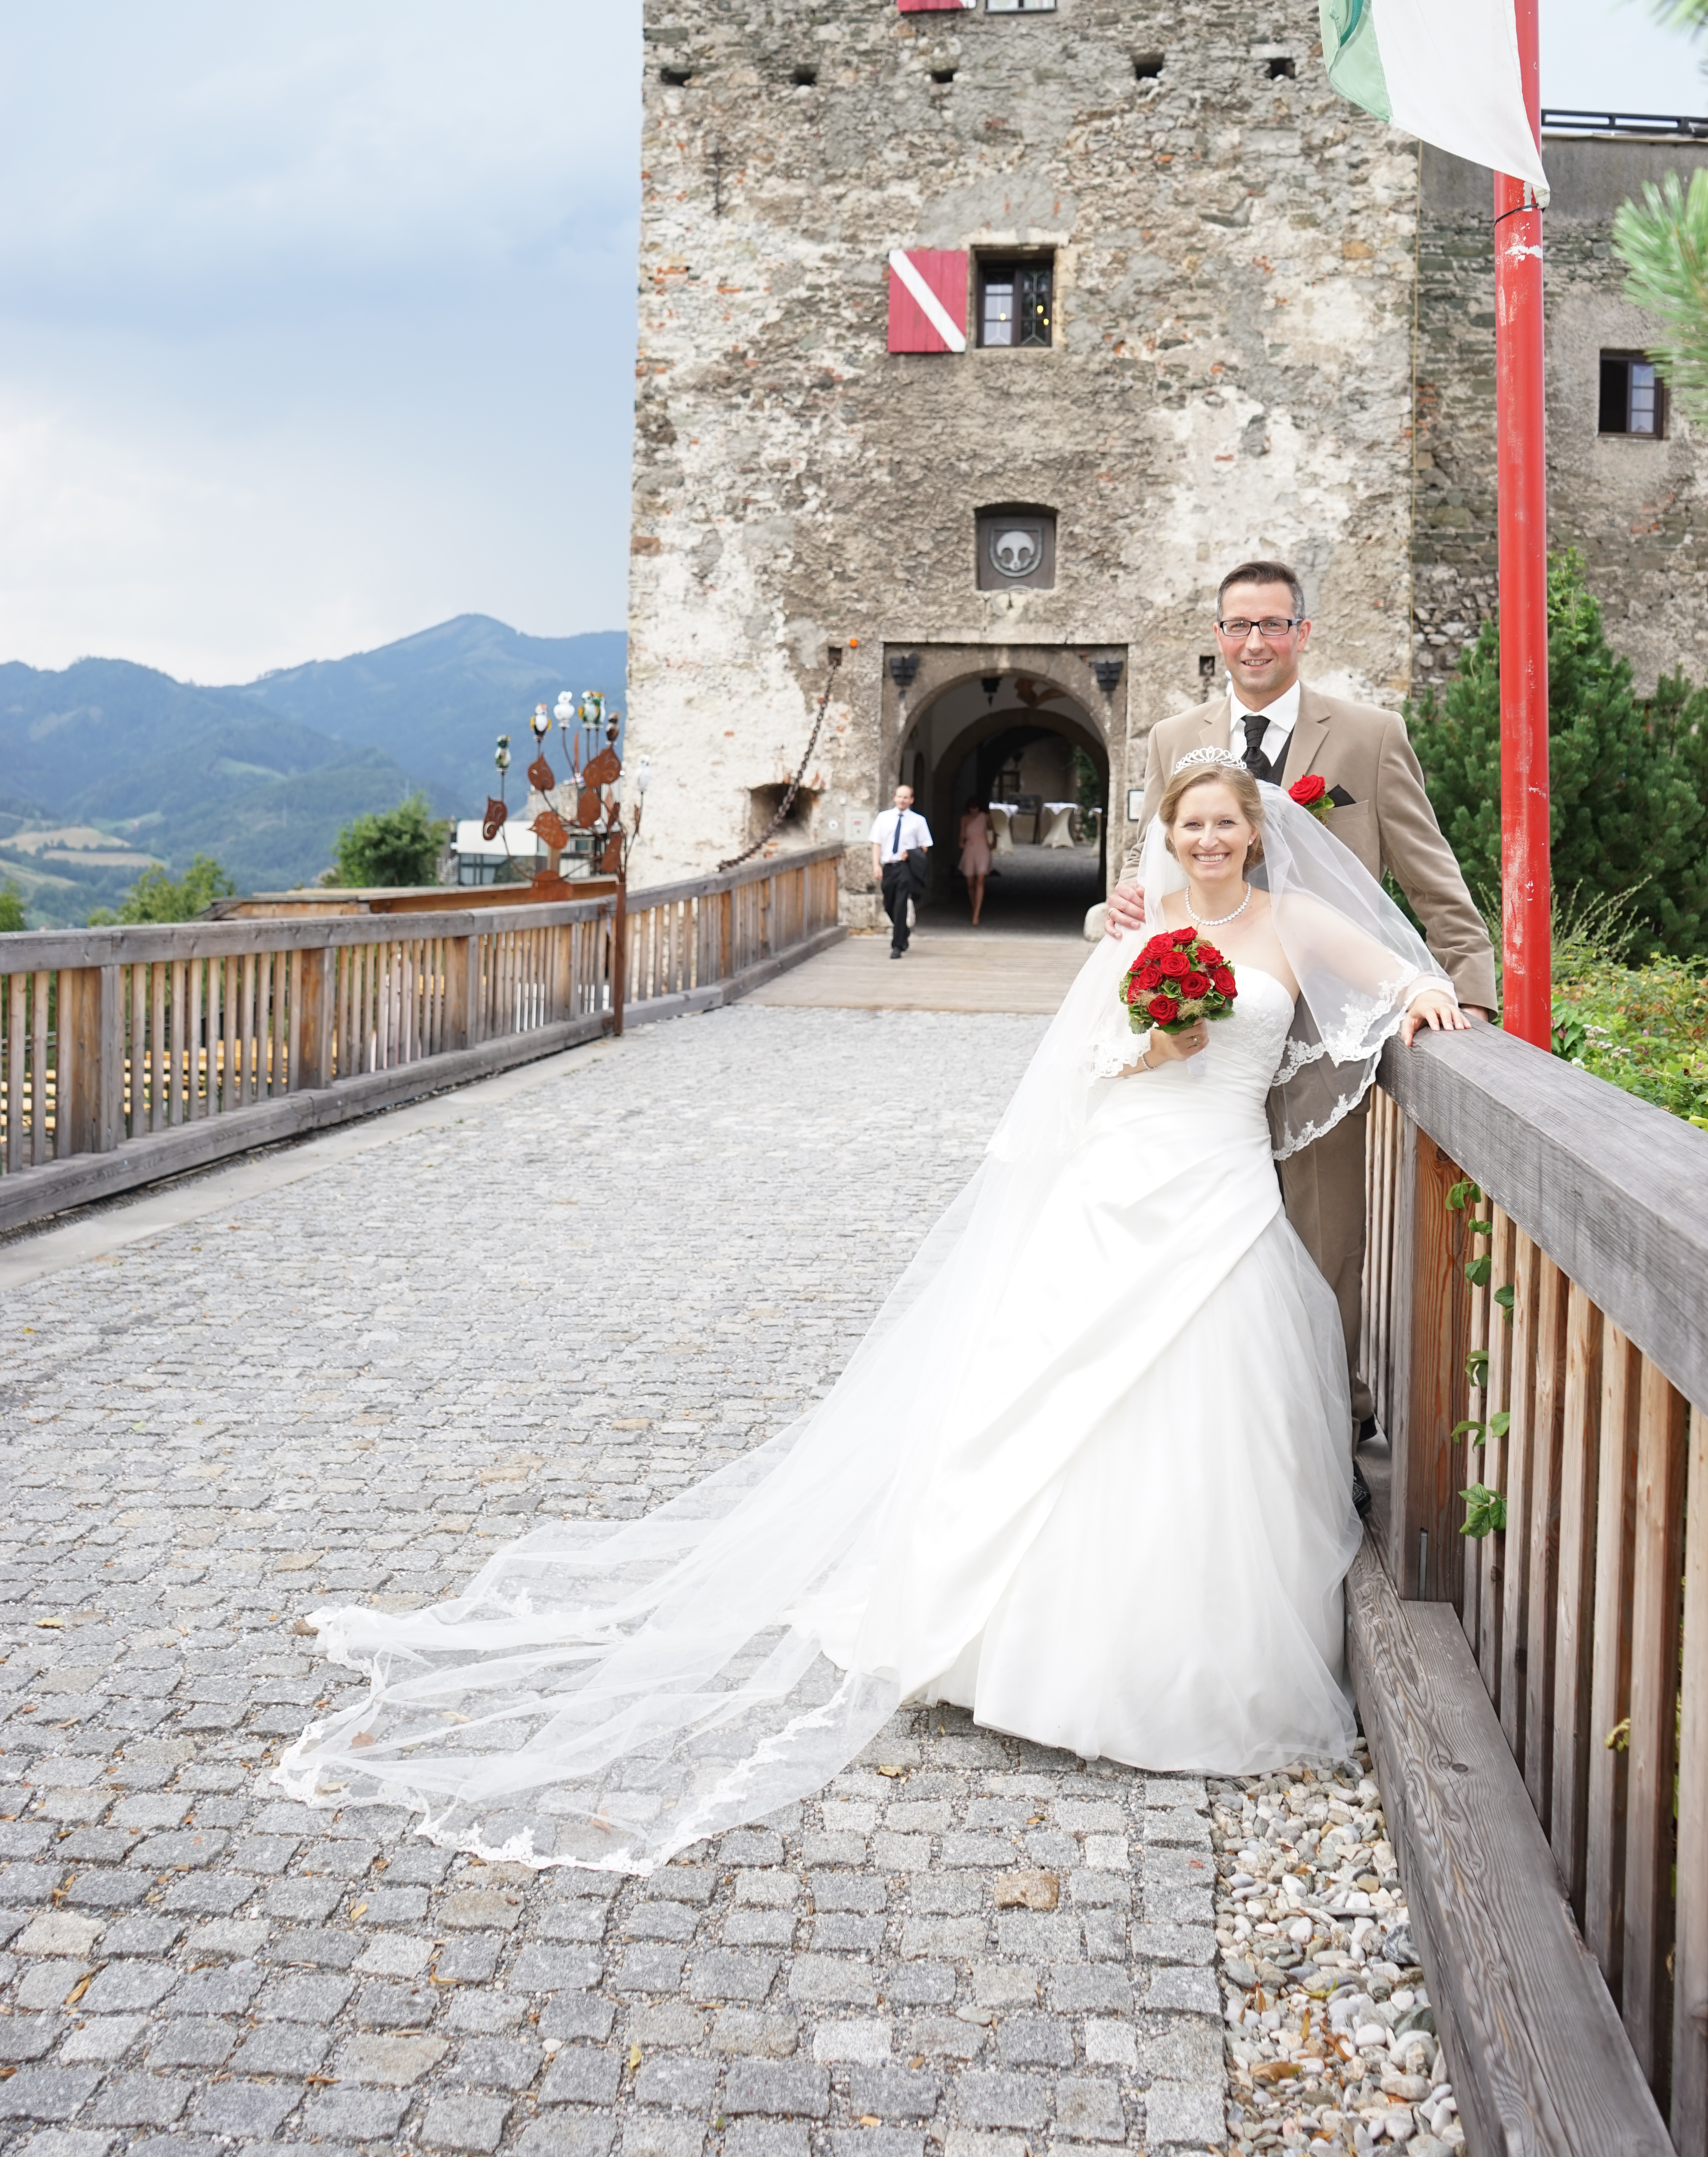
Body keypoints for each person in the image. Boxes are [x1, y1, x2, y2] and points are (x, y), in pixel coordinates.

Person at [278, 758, 1462, 1873]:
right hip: (1125, 1175)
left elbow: (1398, 970)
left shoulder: (1290, 925)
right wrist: (1159, 1042)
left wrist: (1429, 998)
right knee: (1056, 1389)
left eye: (1225, 825)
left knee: (1216, 1403)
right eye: (1189, 825)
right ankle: (1015, 1645)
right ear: (1170, 838)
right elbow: (1094, 1062)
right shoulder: (1138, 932)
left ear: (1256, 835)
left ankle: (1192, 1656)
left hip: (1219, 1189)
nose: (1207, 841)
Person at [1106, 558, 1496, 1458]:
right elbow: (1146, 866)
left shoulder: (1364, 735)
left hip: (1325, 1038)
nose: (1254, 643)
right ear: (1216, 635)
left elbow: (1428, 872)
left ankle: (1328, 1427)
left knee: (1324, 1246)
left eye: (1272, 625)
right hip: (1205, 1034)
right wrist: (1116, 903)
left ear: (1301, 633)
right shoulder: (1175, 737)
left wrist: (1464, 991)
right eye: (1237, 626)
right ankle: (1214, 1432)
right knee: (1205, 1243)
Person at [869, 783, 932, 959]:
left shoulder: (918, 821)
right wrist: (876, 865)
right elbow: (877, 843)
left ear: (911, 800)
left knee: (900, 905)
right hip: (889, 867)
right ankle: (903, 931)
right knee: (889, 903)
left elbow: (925, 846)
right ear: (895, 798)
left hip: (906, 868)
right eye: (899, 797)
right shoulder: (884, 818)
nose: (902, 800)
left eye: (906, 797)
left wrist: (911, 855)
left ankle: (897, 946)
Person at [957, 796, 995, 925]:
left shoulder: (985, 817)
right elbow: (962, 834)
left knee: (980, 880)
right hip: (970, 849)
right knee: (970, 883)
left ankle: (976, 914)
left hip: (983, 848)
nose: (974, 810)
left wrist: (993, 842)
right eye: (972, 808)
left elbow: (992, 830)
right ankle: (975, 908)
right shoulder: (965, 819)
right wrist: (961, 842)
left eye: (976, 807)